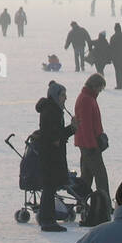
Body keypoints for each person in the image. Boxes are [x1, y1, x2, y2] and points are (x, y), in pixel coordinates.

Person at [35, 80, 75, 231]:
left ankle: (47, 218)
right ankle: (48, 220)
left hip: (50, 155)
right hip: (51, 156)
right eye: (63, 95)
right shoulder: (52, 111)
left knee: (49, 188)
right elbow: (55, 138)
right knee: (49, 188)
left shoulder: (53, 110)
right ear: (55, 96)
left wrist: (71, 129)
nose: (65, 98)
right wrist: (71, 129)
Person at [73, 73, 111, 223]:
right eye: (100, 89)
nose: (100, 92)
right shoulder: (87, 100)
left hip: (86, 143)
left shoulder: (87, 98)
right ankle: (105, 205)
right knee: (101, 175)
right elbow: (87, 126)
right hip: (89, 145)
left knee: (86, 177)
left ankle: (80, 203)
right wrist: (93, 146)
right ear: (94, 86)